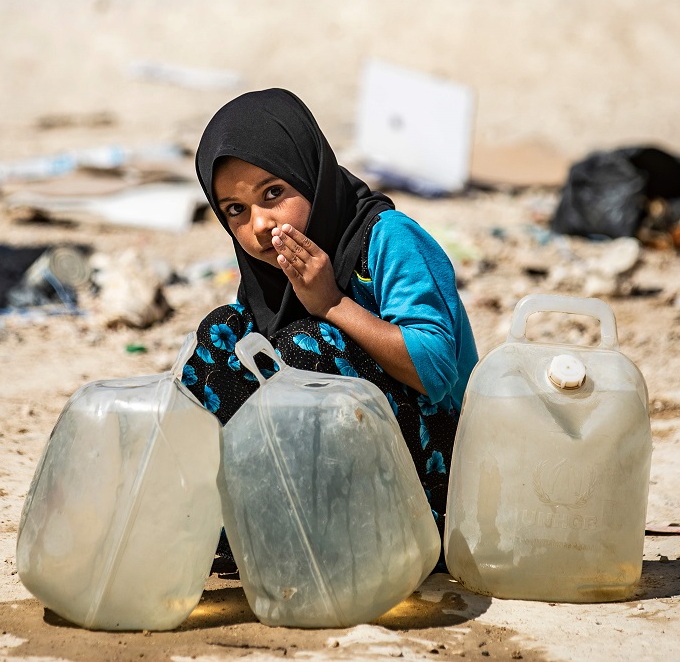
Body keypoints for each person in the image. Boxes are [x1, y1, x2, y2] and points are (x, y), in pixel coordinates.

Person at [182, 88, 478, 547]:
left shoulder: (386, 239)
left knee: (305, 346)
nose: (259, 225)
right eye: (236, 211)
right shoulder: (265, 276)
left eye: (273, 193)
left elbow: (437, 369)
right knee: (223, 338)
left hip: (433, 473)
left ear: (311, 176)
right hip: (324, 471)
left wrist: (332, 303)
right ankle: (241, 522)